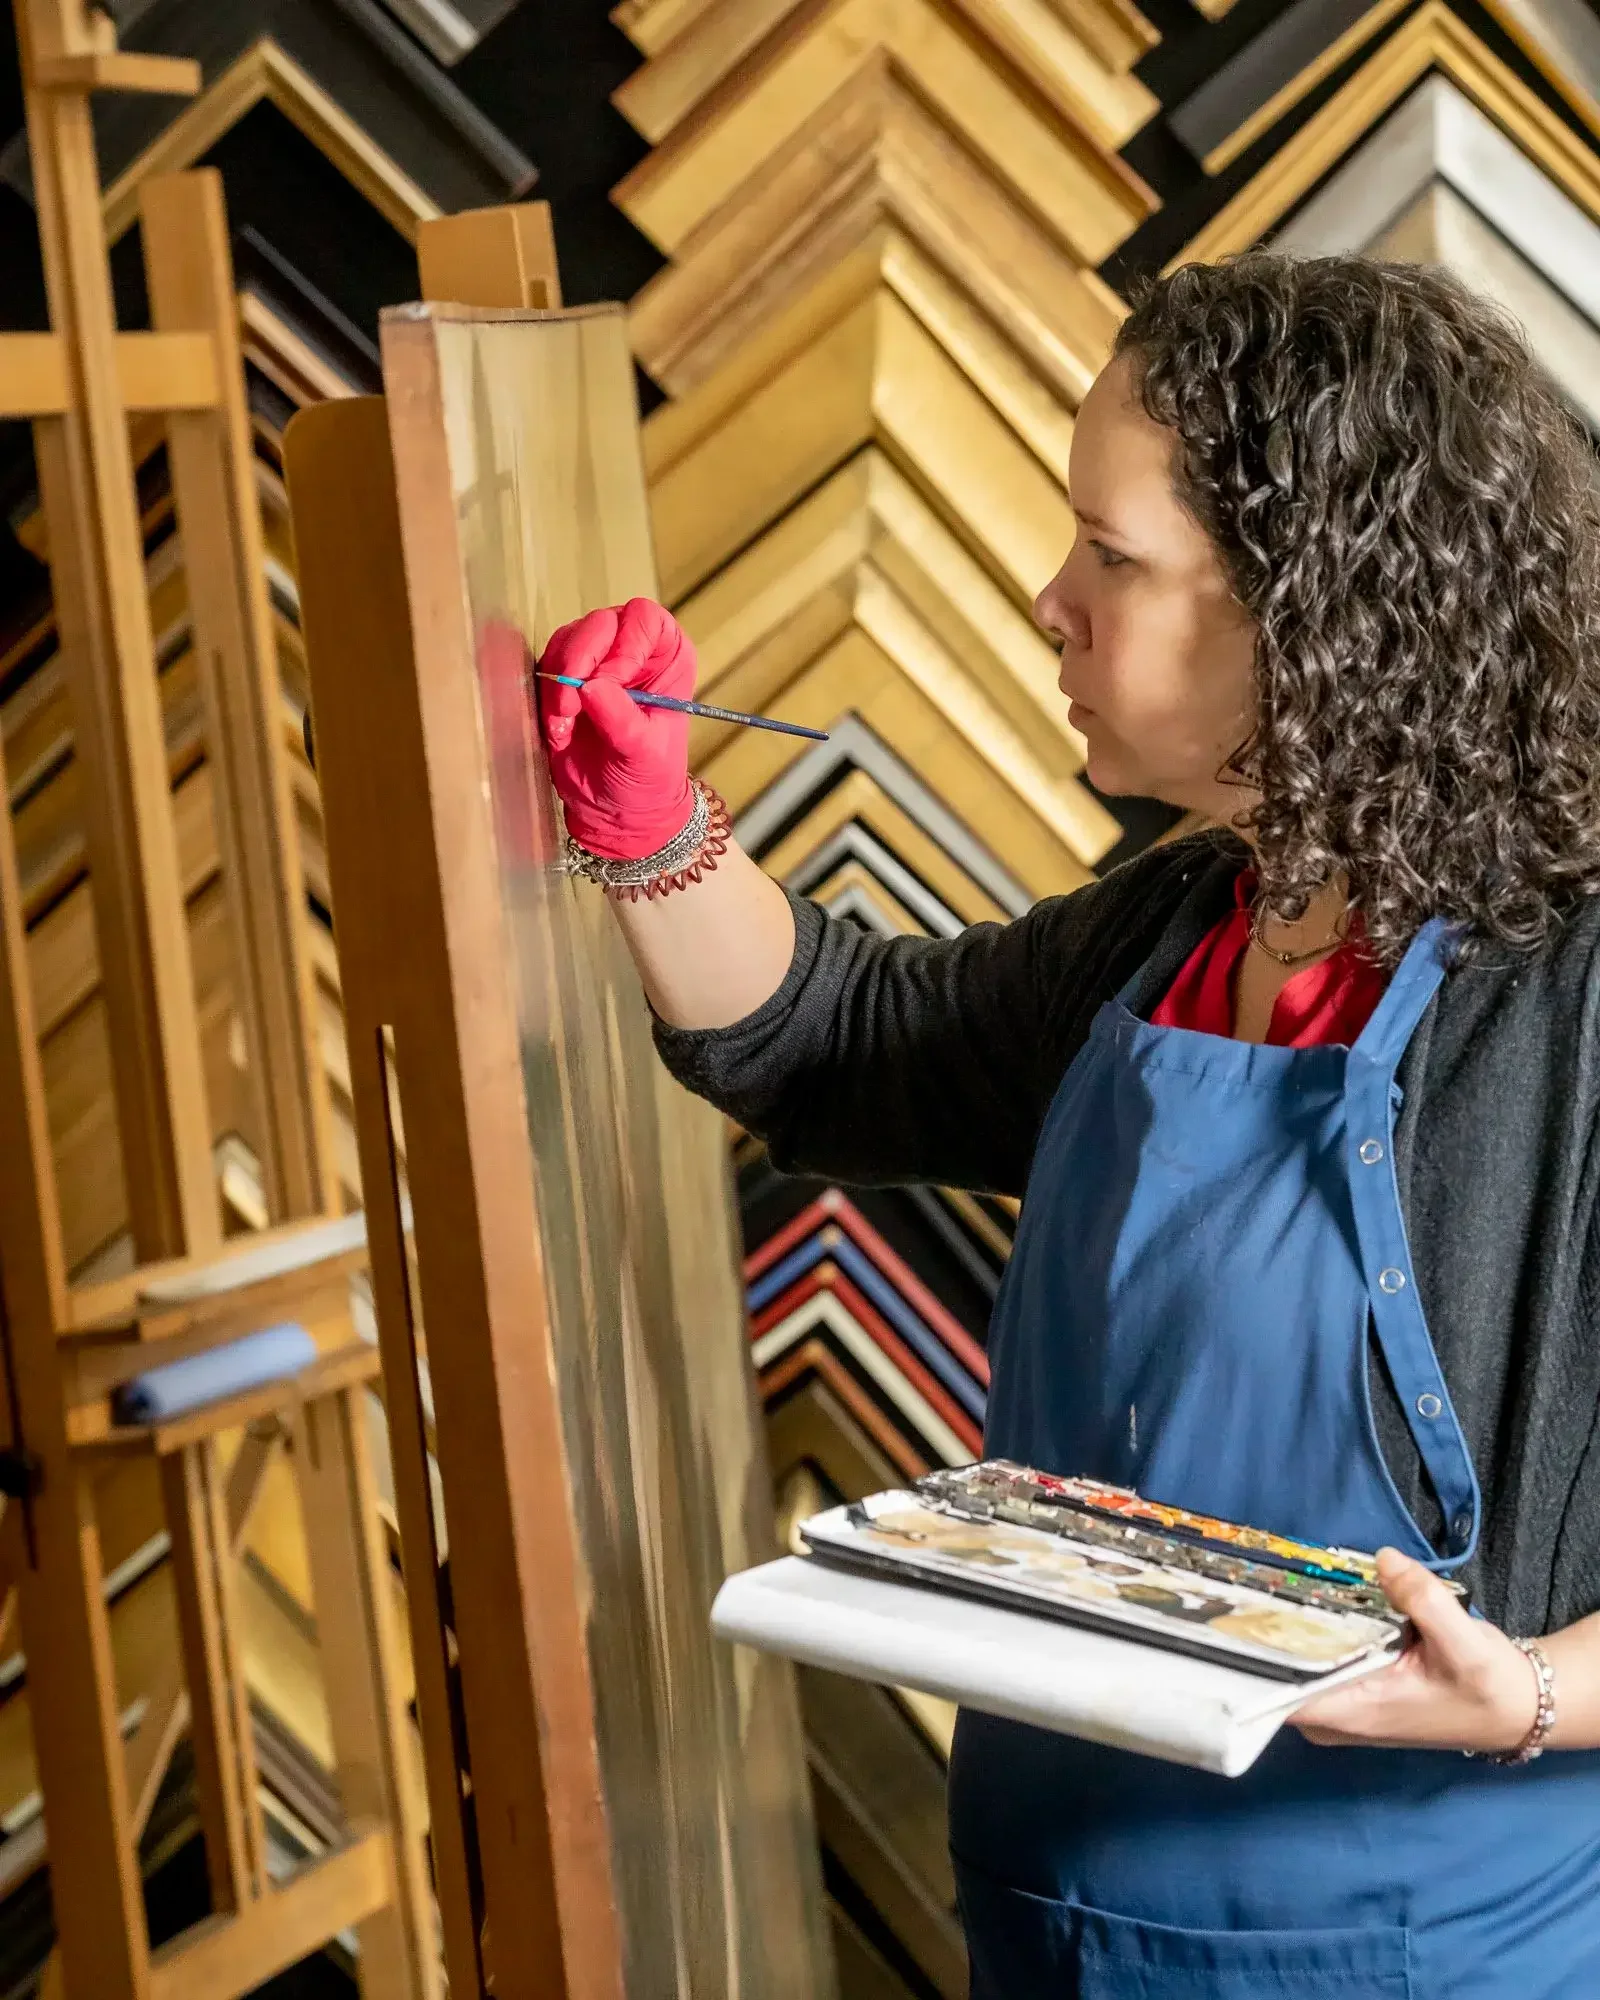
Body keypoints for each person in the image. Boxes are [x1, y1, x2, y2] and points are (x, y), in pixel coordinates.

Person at [533, 254, 1600, 1996]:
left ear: (1312, 608)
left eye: (1114, 558)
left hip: (1423, 1942)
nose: (1051, 600)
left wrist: (1541, 1694)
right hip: (1060, 1921)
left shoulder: (1575, 998)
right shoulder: (1182, 925)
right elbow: (837, 1045)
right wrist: (645, 828)